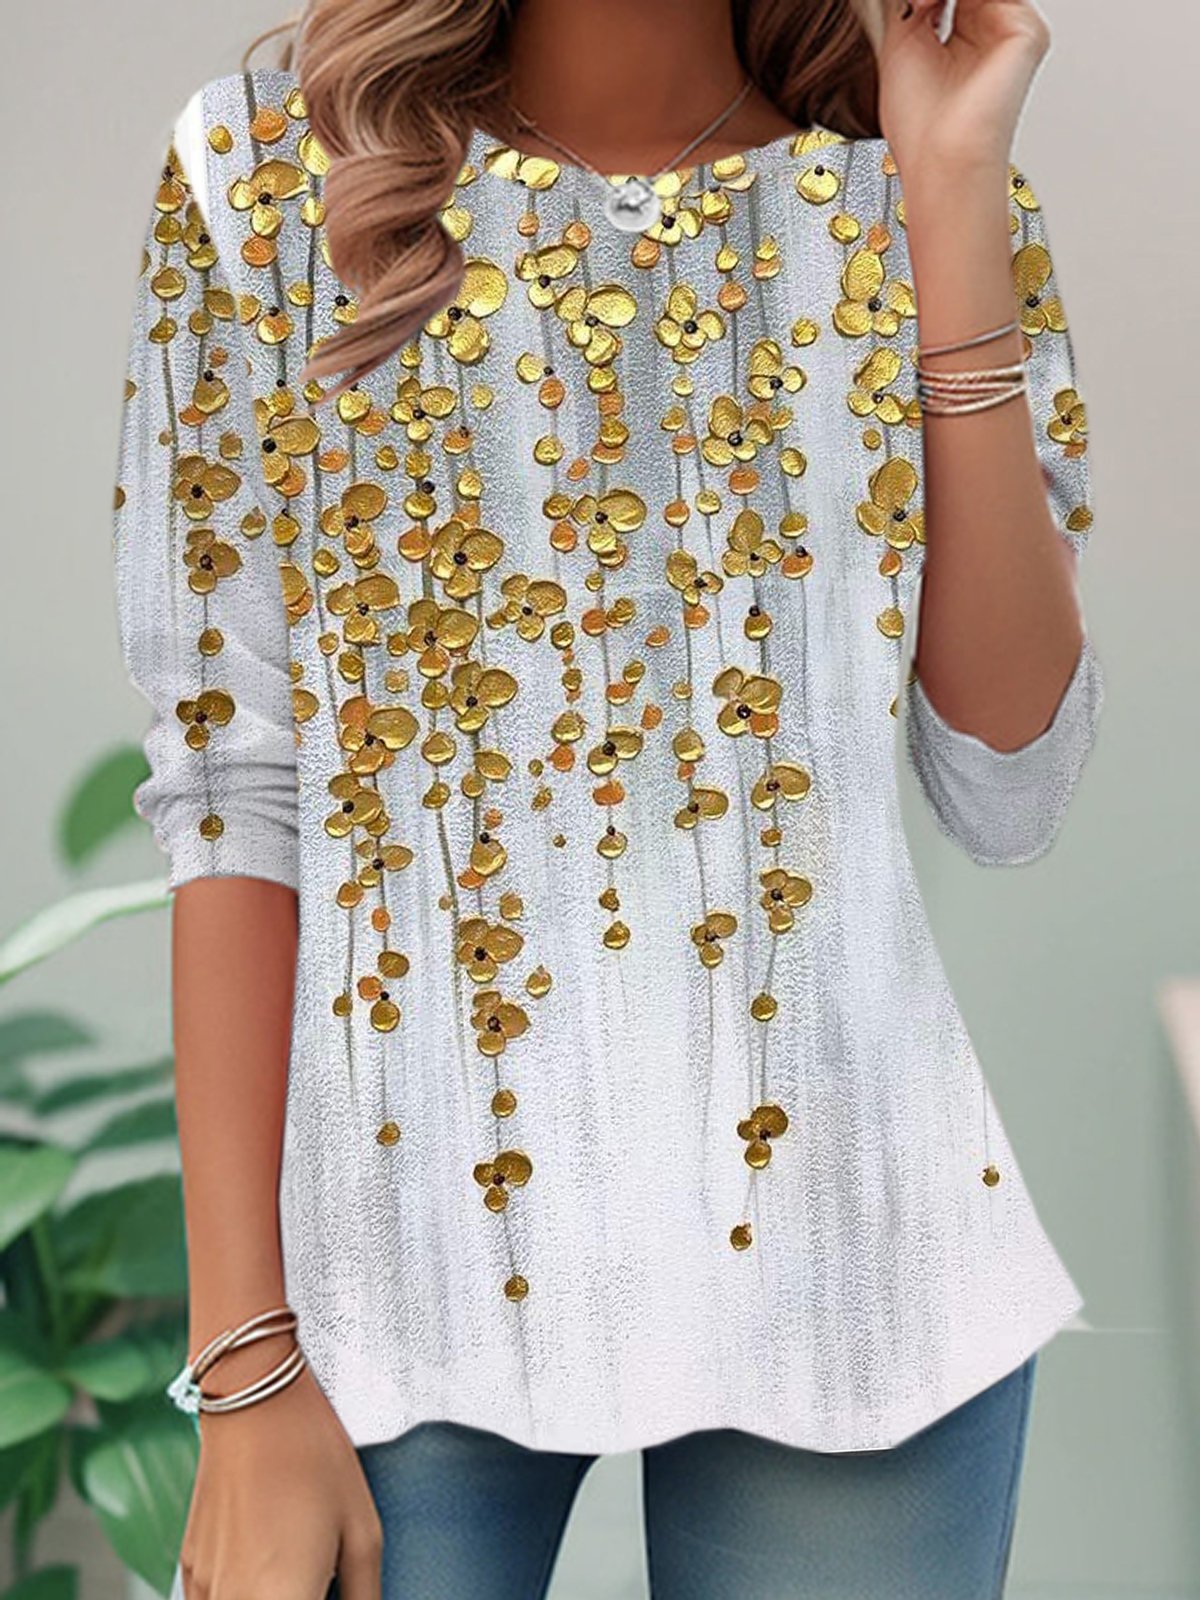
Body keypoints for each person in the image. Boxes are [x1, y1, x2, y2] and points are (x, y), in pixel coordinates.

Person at [111, 0, 1105, 1595]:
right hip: (391, 1290)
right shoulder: (265, 173)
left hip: (860, 1269)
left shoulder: (914, 190)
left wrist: (948, 190)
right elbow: (234, 786)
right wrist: (245, 1360)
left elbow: (1010, 778)